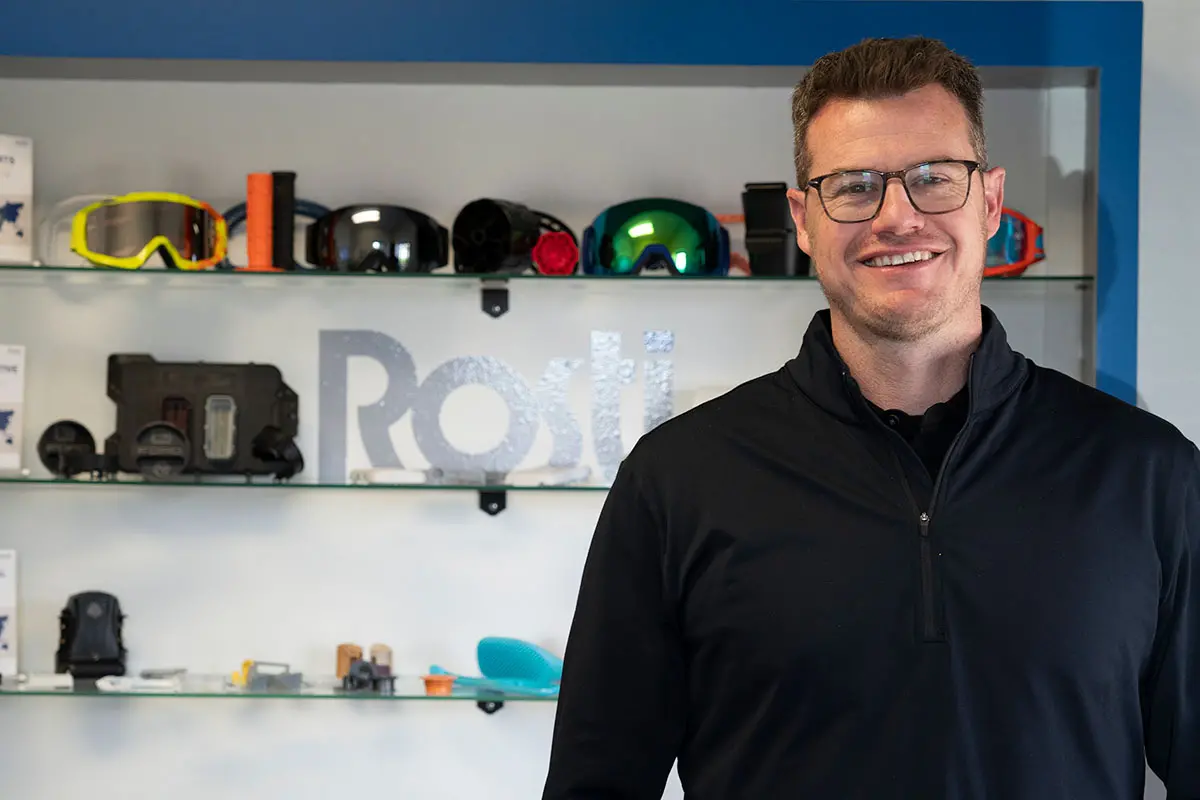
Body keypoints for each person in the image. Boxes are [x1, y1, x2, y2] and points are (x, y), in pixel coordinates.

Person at [541, 36, 1199, 800]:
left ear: (989, 202)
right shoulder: (677, 480)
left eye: (934, 178)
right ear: (803, 220)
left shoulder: (1144, 473)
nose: (897, 217)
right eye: (854, 186)